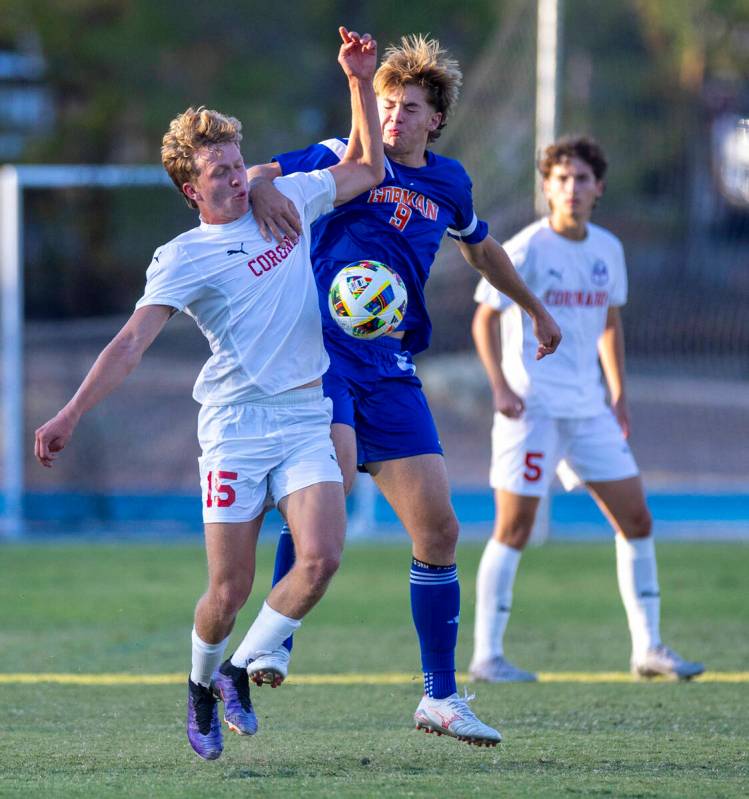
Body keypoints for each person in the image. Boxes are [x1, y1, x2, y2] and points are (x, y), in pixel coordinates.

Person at [33, 27, 385, 761]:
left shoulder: (281, 197)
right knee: (228, 589)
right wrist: (70, 412)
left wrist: (359, 81)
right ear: (191, 190)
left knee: (320, 557)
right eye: (217, 172)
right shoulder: (182, 258)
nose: (231, 176)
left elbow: (364, 171)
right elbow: (130, 342)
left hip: (300, 412)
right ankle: (199, 684)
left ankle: (232, 671)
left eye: (234, 163)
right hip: (232, 427)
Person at [246, 34, 562, 747]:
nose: (391, 116)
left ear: (434, 119)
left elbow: (482, 248)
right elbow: (260, 174)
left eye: (407, 106)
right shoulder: (342, 154)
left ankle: (440, 699)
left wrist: (535, 308)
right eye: (385, 102)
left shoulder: (448, 183)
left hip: (388, 365)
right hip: (320, 357)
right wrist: (264, 191)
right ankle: (272, 639)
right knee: (318, 496)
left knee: (440, 530)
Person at [469, 135, 704, 683]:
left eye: (580, 179)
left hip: (589, 409)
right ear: (546, 188)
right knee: (514, 526)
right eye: (560, 179)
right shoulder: (525, 248)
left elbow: (610, 322)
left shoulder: (607, 250)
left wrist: (618, 392)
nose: (570, 189)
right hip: (532, 410)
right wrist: (501, 387)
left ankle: (648, 647)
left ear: (598, 187)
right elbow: (484, 318)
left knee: (637, 518)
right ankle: (487, 655)